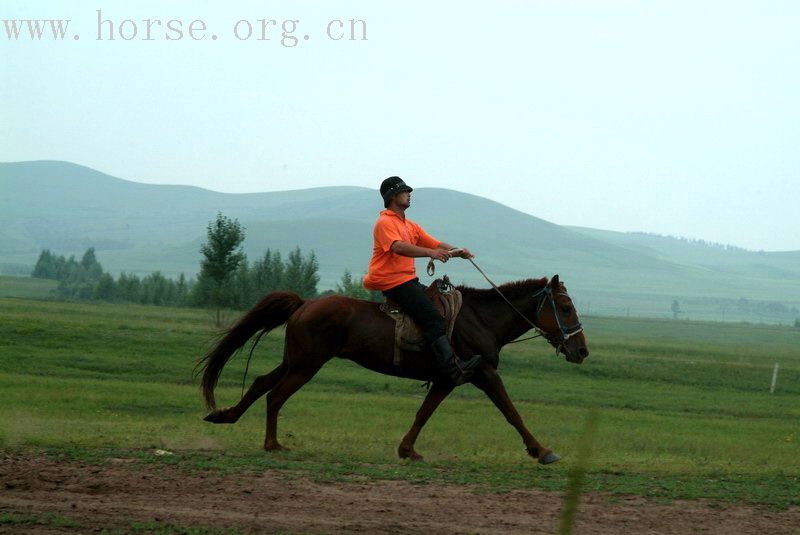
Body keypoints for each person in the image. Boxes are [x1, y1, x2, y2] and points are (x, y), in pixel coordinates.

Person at [363, 176, 482, 385]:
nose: (409, 194)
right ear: (392, 196)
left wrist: (458, 252)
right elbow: (398, 247)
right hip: (392, 282)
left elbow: (435, 244)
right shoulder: (384, 223)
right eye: (404, 191)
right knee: (432, 317)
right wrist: (431, 253)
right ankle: (451, 369)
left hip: (408, 280)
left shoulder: (410, 226)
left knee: (443, 304)